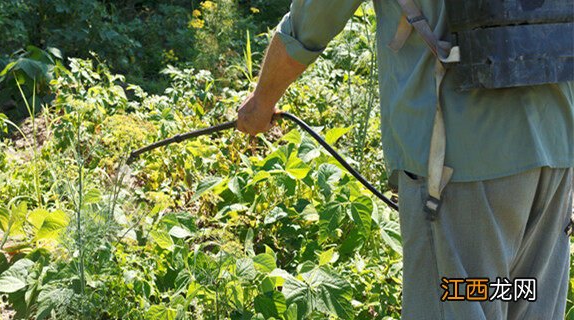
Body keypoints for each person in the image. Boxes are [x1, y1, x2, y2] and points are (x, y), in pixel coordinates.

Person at [235, 0, 574, 319]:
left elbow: (312, 18)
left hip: (462, 162)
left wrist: (261, 101)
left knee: (460, 302)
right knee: (523, 297)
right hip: (556, 150)